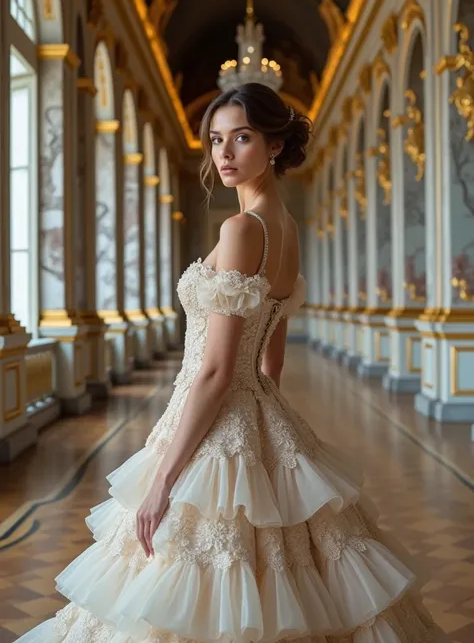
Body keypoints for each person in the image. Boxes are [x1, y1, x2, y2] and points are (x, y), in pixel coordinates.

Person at [18, 82, 446, 642]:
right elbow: (269, 366)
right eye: (216, 139)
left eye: (241, 138)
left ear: (273, 145)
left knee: (183, 584)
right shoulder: (287, 230)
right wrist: (264, 428)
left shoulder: (241, 229)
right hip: (255, 413)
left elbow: (218, 371)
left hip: (217, 418)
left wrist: (165, 480)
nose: (223, 153)